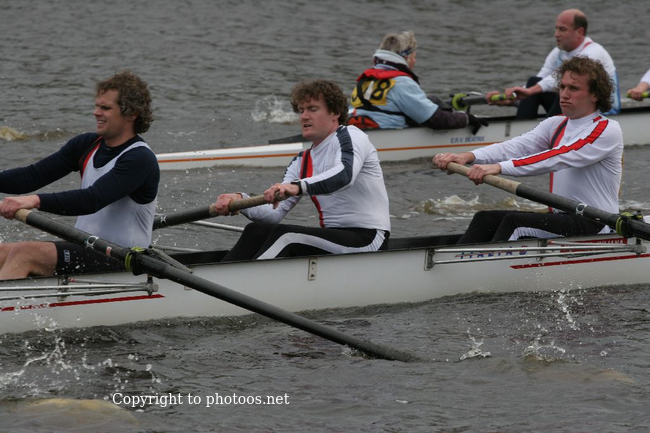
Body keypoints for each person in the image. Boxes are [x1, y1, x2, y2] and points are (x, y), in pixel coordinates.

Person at [433, 57, 622, 245]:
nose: (564, 94)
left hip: (597, 222)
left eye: (573, 88)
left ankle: (481, 263)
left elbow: (559, 156)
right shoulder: (555, 124)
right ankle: (453, 261)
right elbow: (517, 146)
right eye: (562, 87)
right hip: (563, 217)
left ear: (595, 95)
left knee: (515, 223)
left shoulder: (606, 129)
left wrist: (498, 168)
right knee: (485, 219)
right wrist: (468, 156)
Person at [0, 71, 159, 280]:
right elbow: (32, 176)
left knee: (25, 253)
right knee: (2, 252)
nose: (96, 112)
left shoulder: (139, 159)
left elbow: (92, 199)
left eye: (105, 108)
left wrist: (34, 200)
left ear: (132, 114)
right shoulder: (86, 145)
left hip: (123, 257)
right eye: (97, 106)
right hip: (85, 248)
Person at [213, 79, 390, 261]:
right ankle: (220, 275)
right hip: (334, 238)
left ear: (335, 113)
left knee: (286, 235)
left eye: (312, 109)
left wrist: (297, 186)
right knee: (257, 230)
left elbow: (344, 176)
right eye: (301, 110)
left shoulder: (352, 136)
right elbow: (274, 213)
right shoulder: (301, 162)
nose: (304, 116)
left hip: (369, 239)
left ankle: (246, 276)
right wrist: (240, 200)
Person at [486, 9, 620, 118]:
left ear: (579, 32)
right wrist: (513, 99)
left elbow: (552, 81)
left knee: (563, 88)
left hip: (603, 111)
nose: (556, 34)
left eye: (562, 29)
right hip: (576, 104)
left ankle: (545, 133)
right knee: (534, 81)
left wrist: (530, 91)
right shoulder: (557, 53)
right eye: (556, 29)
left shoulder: (593, 53)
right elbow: (540, 82)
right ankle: (523, 131)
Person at [348, 30, 487, 134]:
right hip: (387, 134)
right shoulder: (401, 82)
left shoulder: (367, 79)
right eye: (414, 57)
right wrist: (467, 119)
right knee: (436, 106)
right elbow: (436, 120)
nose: (414, 61)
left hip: (360, 129)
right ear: (405, 57)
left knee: (432, 100)